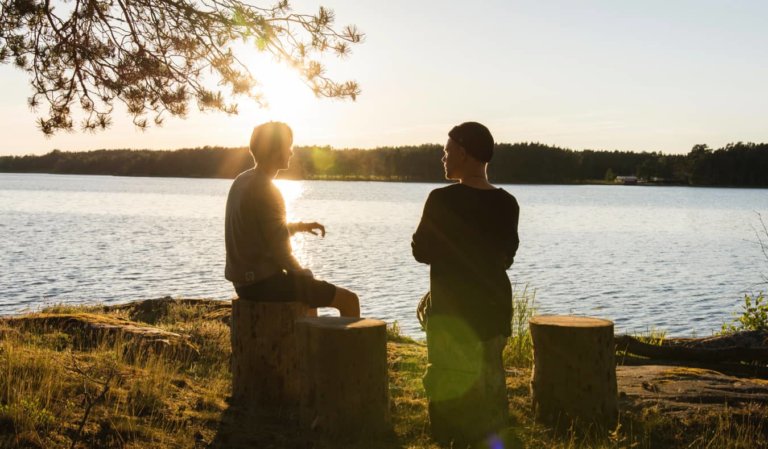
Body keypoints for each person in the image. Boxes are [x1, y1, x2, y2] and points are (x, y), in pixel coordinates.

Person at [412, 122, 520, 446]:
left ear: (462, 151)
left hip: (451, 315)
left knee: (449, 388)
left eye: (446, 151)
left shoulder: (441, 200)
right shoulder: (508, 203)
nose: (442, 158)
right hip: (493, 312)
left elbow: (422, 251)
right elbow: (506, 256)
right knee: (490, 386)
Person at [225, 121, 360, 317]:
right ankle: (351, 348)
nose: (291, 152)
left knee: (307, 290)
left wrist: (299, 227)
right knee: (348, 300)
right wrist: (304, 273)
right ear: (274, 150)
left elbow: (263, 232)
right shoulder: (267, 189)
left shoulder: (242, 180)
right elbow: (281, 251)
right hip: (263, 285)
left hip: (243, 283)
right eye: (288, 146)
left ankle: (311, 345)